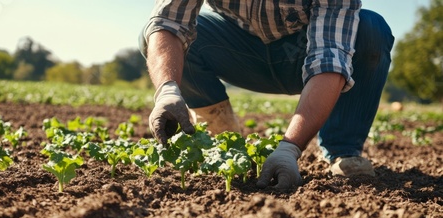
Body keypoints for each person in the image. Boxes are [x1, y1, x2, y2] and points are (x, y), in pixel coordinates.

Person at [139, 0, 394, 189]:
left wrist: (290, 147)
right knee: (154, 35)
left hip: (300, 54)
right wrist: (167, 89)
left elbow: (331, 59)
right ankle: (223, 142)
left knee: (371, 29)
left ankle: (343, 149)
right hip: (238, 50)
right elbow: (168, 22)